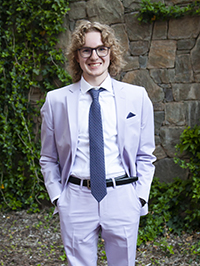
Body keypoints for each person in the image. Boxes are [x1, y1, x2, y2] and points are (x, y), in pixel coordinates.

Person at [40, 20, 156, 266]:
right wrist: (59, 198)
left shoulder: (137, 97)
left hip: (123, 197)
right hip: (76, 198)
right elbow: (48, 158)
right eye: (86, 50)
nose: (94, 56)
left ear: (110, 53)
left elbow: (146, 155)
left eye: (101, 48)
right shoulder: (56, 101)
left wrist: (140, 198)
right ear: (77, 56)